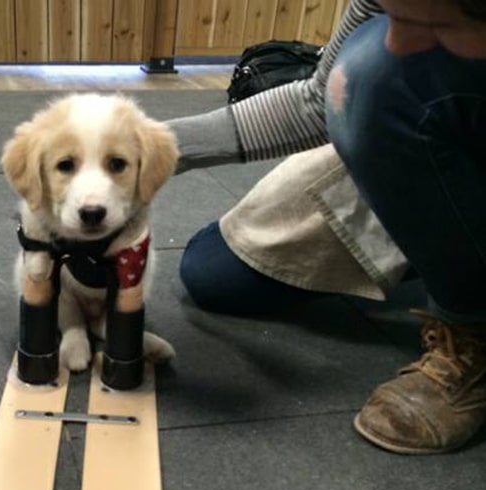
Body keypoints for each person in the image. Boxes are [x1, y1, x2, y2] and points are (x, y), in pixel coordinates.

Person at [166, 0, 486, 455]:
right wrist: (152, 145)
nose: (396, 39)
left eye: (427, 22)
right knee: (214, 271)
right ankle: (447, 235)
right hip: (450, 118)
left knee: (382, 74)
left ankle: (472, 328)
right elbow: (318, 100)